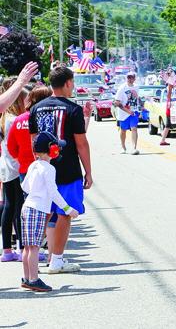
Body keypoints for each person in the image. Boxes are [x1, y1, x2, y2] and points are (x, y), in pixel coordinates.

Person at [29, 66, 92, 274]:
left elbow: (34, 142)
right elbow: (81, 143)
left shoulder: (36, 109)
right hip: (68, 170)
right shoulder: (72, 109)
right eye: (72, 82)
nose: (73, 86)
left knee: (45, 212)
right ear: (67, 83)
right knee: (65, 213)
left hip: (44, 166)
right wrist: (88, 172)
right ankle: (56, 260)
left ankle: (33, 259)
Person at [20, 132, 79, 292]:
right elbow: (53, 193)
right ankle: (34, 279)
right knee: (34, 247)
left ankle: (26, 277)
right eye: (56, 146)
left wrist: (36, 190)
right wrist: (68, 209)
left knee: (27, 247)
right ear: (51, 149)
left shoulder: (33, 165)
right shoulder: (49, 169)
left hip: (26, 207)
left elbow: (24, 187)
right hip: (37, 210)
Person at [1, 80, 27, 262]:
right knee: (18, 207)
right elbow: (14, 146)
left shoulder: (5, 118)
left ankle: (7, 250)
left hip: (6, 165)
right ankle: (21, 247)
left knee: (9, 207)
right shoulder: (12, 120)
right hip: (15, 166)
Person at [113, 71, 140, 155]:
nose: (129, 79)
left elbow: (137, 98)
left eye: (131, 77)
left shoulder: (136, 87)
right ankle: (123, 146)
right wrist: (127, 111)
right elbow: (117, 102)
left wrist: (141, 107)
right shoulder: (122, 88)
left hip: (134, 111)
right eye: (128, 77)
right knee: (123, 130)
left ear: (134, 78)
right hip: (123, 113)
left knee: (134, 128)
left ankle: (134, 148)